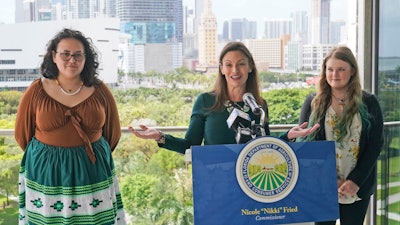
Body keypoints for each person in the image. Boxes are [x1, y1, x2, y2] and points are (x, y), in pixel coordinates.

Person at [15, 28, 126, 224]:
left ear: (86, 58)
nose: (72, 60)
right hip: (45, 171)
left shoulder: (100, 90)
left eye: (78, 55)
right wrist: (49, 155)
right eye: (65, 54)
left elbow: (113, 134)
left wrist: (88, 155)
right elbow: (22, 134)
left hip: (91, 169)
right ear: (54, 56)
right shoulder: (36, 90)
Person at [129, 41, 319, 154]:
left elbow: (265, 146)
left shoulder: (258, 105)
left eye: (241, 64)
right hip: (216, 184)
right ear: (221, 68)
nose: (234, 70)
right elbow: (190, 145)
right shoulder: (205, 101)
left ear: (251, 67)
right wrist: (160, 137)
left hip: (251, 184)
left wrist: (288, 136)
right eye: (228, 64)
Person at [298, 46, 383, 225]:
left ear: (352, 70)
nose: (334, 74)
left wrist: (355, 181)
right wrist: (329, 179)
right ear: (324, 71)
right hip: (322, 185)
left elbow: (375, 145)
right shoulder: (312, 102)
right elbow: (306, 146)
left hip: (357, 187)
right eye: (330, 69)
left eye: (341, 69)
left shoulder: (369, 102)